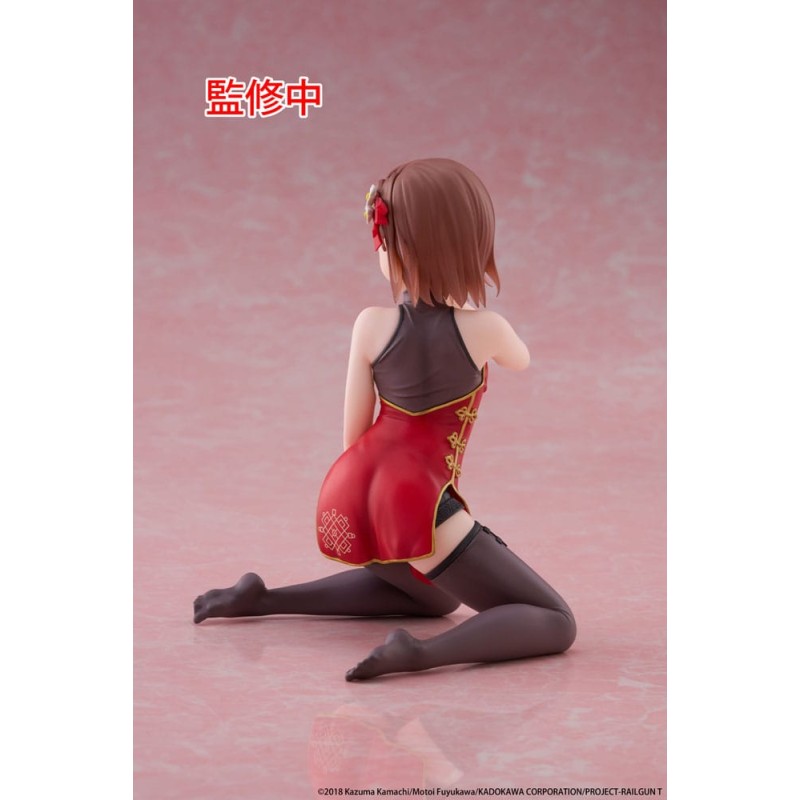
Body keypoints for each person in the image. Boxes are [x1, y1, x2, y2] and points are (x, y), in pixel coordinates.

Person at [193, 158, 576, 680]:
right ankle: (421, 654)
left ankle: (261, 598)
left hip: (347, 495)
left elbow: (352, 435)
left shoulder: (370, 324)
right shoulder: (487, 328)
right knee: (556, 621)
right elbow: (521, 359)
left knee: (435, 598)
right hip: (414, 498)